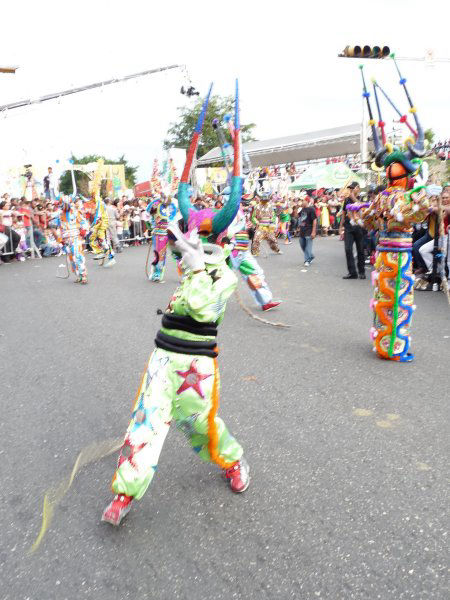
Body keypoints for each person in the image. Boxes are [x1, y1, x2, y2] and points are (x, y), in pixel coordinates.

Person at [102, 84, 249, 526]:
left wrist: (196, 260)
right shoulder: (190, 264)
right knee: (146, 421)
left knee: (200, 430)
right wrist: (188, 257)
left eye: (201, 237)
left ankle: (233, 460)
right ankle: (125, 494)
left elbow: (205, 310)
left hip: (197, 366)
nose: (191, 240)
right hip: (164, 357)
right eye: (189, 234)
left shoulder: (224, 273)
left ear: (218, 240)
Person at [339, 182, 365, 279]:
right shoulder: (346, 200)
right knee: (348, 249)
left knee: (360, 250)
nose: (351, 190)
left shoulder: (363, 197)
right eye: (350, 188)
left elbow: (362, 207)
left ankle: (361, 271)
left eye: (352, 188)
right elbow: (344, 213)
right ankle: (352, 272)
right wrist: (341, 226)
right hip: (348, 227)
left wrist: (353, 196)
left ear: (357, 188)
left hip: (359, 227)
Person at [297, 195, 317, 267]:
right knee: (302, 244)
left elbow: (314, 220)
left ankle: (307, 260)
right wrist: (297, 207)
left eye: (303, 200)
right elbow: (298, 217)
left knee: (308, 245)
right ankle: (311, 256)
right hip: (302, 230)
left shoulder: (311, 209)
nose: (302, 202)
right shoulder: (302, 209)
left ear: (307, 201)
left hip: (309, 230)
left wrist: (313, 231)